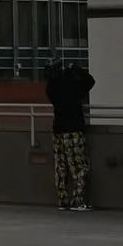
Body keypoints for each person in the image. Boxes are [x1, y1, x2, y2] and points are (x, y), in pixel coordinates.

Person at [44, 52, 95, 211]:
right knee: (80, 166)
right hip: (73, 129)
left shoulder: (50, 87)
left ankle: (63, 199)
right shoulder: (70, 82)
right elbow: (89, 82)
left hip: (57, 129)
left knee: (61, 166)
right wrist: (76, 70)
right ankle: (78, 200)